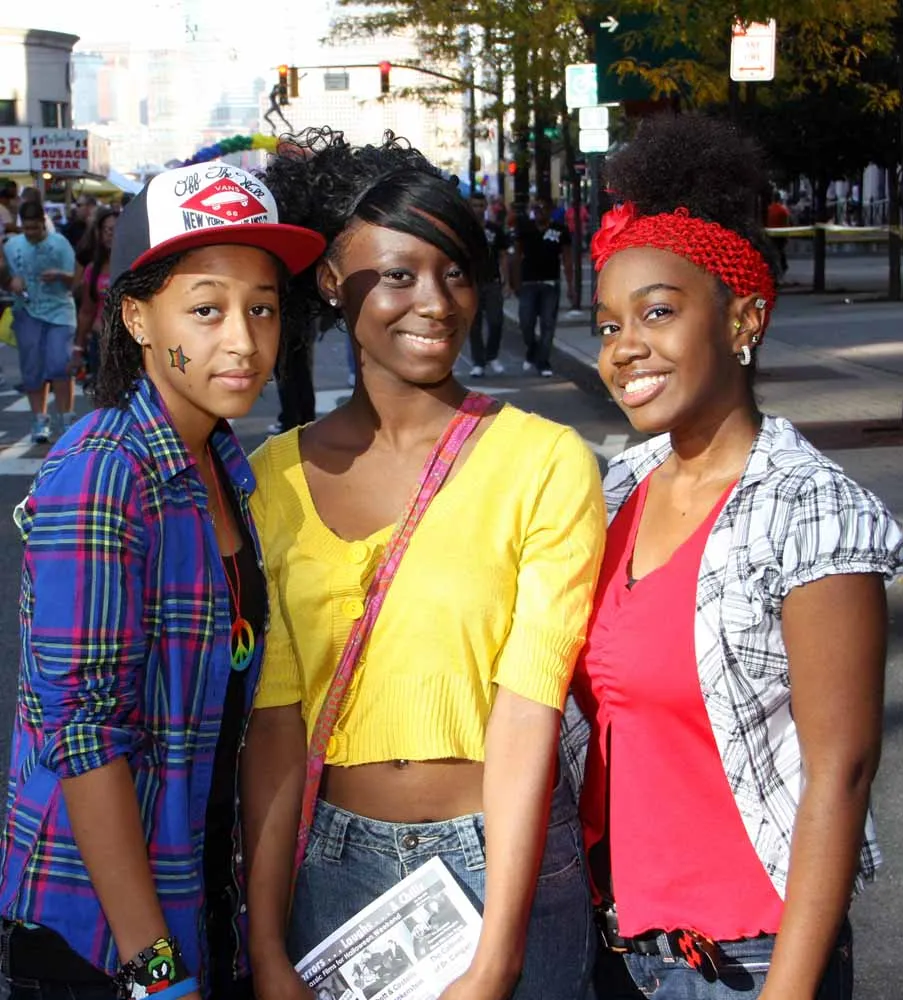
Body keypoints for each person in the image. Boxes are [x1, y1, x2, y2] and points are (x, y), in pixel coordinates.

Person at [242, 127, 605, 1000]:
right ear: (332, 282)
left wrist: (498, 953)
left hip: (503, 863)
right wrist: (265, 946)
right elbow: (276, 724)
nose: (435, 302)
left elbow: (528, 712)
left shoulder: (545, 462)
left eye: (455, 272)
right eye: (398, 275)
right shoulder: (269, 480)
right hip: (331, 870)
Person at [570, 113, 903, 1000]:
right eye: (607, 324)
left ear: (743, 319)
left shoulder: (809, 509)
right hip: (611, 947)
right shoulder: (617, 489)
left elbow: (840, 775)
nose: (624, 347)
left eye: (657, 312)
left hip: (742, 964)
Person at [0, 162, 324, 999]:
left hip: (199, 893)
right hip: (102, 940)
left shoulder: (224, 465)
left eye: (261, 308)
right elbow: (83, 733)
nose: (242, 341)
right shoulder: (105, 472)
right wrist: (154, 968)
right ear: (138, 317)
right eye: (206, 309)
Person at [1, 199, 78, 442]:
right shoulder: (13, 246)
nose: (31, 232)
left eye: (35, 227)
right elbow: (4, 275)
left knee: (60, 365)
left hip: (59, 311)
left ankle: (66, 418)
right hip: (27, 311)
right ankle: (39, 419)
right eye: (27, 228)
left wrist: (61, 275)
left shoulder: (59, 243)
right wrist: (10, 282)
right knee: (33, 368)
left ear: (44, 223)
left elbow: (76, 279)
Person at [512, 196, 574, 378]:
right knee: (526, 323)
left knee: (548, 324)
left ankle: (543, 361)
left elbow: (567, 259)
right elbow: (516, 256)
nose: (539, 212)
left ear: (550, 210)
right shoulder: (525, 228)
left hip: (550, 284)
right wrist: (514, 282)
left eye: (543, 208)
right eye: (536, 208)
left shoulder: (560, 230)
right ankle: (532, 349)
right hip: (528, 283)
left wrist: (571, 286)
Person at [73, 206, 118, 391]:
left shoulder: (137, 266)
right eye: (106, 230)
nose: (110, 234)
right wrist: (78, 349)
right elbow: (86, 311)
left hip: (131, 345)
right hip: (100, 343)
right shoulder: (93, 269)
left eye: (115, 229)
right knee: (105, 397)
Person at [467, 190, 509, 377]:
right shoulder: (464, 230)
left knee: (496, 321)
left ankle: (492, 355)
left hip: (492, 282)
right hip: (471, 283)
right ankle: (478, 362)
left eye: (480, 205)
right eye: (474, 205)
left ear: (486, 207)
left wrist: (506, 280)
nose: (478, 209)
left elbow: (503, 255)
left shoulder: (494, 229)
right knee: (474, 325)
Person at [766, 190, 790, 277]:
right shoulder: (783, 210)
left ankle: (775, 269)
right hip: (781, 234)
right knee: (780, 251)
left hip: (771, 234)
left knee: (773, 251)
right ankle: (783, 266)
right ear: (779, 198)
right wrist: (787, 236)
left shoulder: (769, 209)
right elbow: (786, 223)